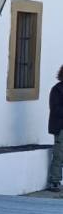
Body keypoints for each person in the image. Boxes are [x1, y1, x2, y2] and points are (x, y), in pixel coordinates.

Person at [48, 64, 63, 192]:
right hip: (61, 127)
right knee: (59, 155)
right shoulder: (57, 89)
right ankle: (55, 181)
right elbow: (55, 109)